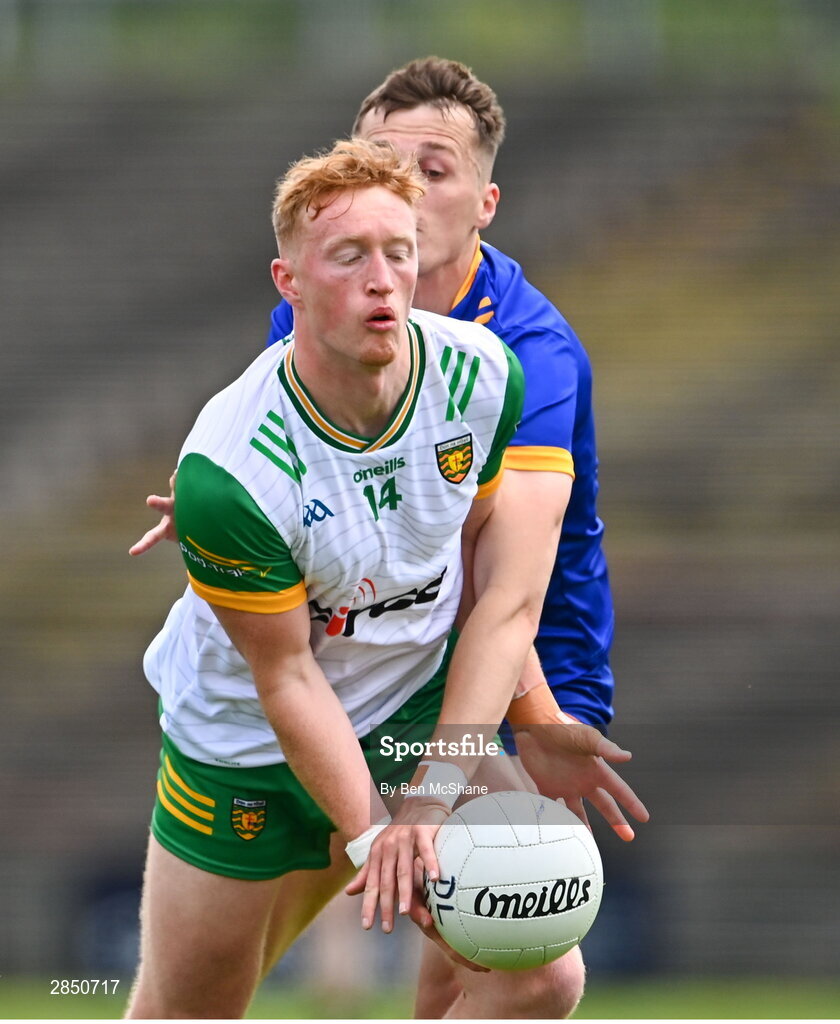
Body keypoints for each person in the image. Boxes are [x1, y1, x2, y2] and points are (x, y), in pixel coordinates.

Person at [131, 59, 649, 1018]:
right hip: (243, 741)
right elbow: (287, 662)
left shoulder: (500, 366)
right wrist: (220, 516)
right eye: (352, 253)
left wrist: (527, 720)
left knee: (540, 966)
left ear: (479, 206)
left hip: (423, 705)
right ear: (291, 279)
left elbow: (495, 582)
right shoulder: (250, 432)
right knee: (191, 1010)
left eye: (398, 247)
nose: (380, 277)